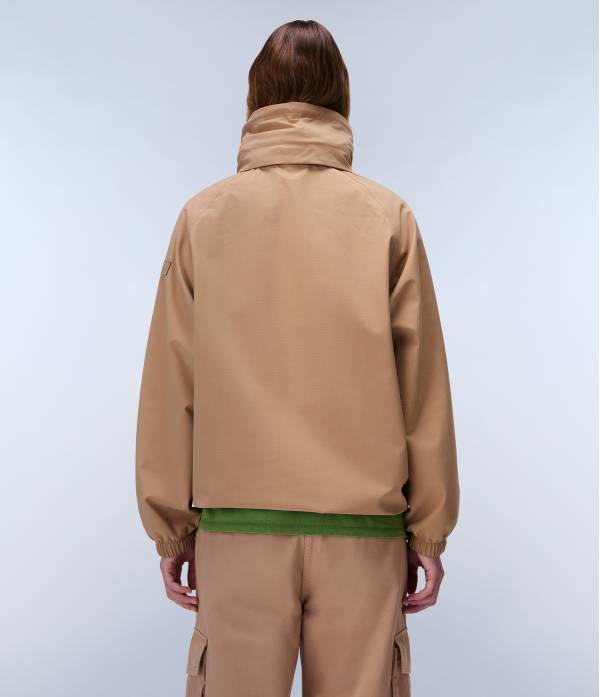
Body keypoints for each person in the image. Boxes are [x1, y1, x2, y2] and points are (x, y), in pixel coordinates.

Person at [135, 19, 459, 697]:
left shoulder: (203, 218)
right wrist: (428, 533)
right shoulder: (388, 217)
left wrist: (171, 530)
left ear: (256, 97)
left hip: (237, 532)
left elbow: (171, 381)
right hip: (364, 537)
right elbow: (423, 389)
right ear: (339, 97)